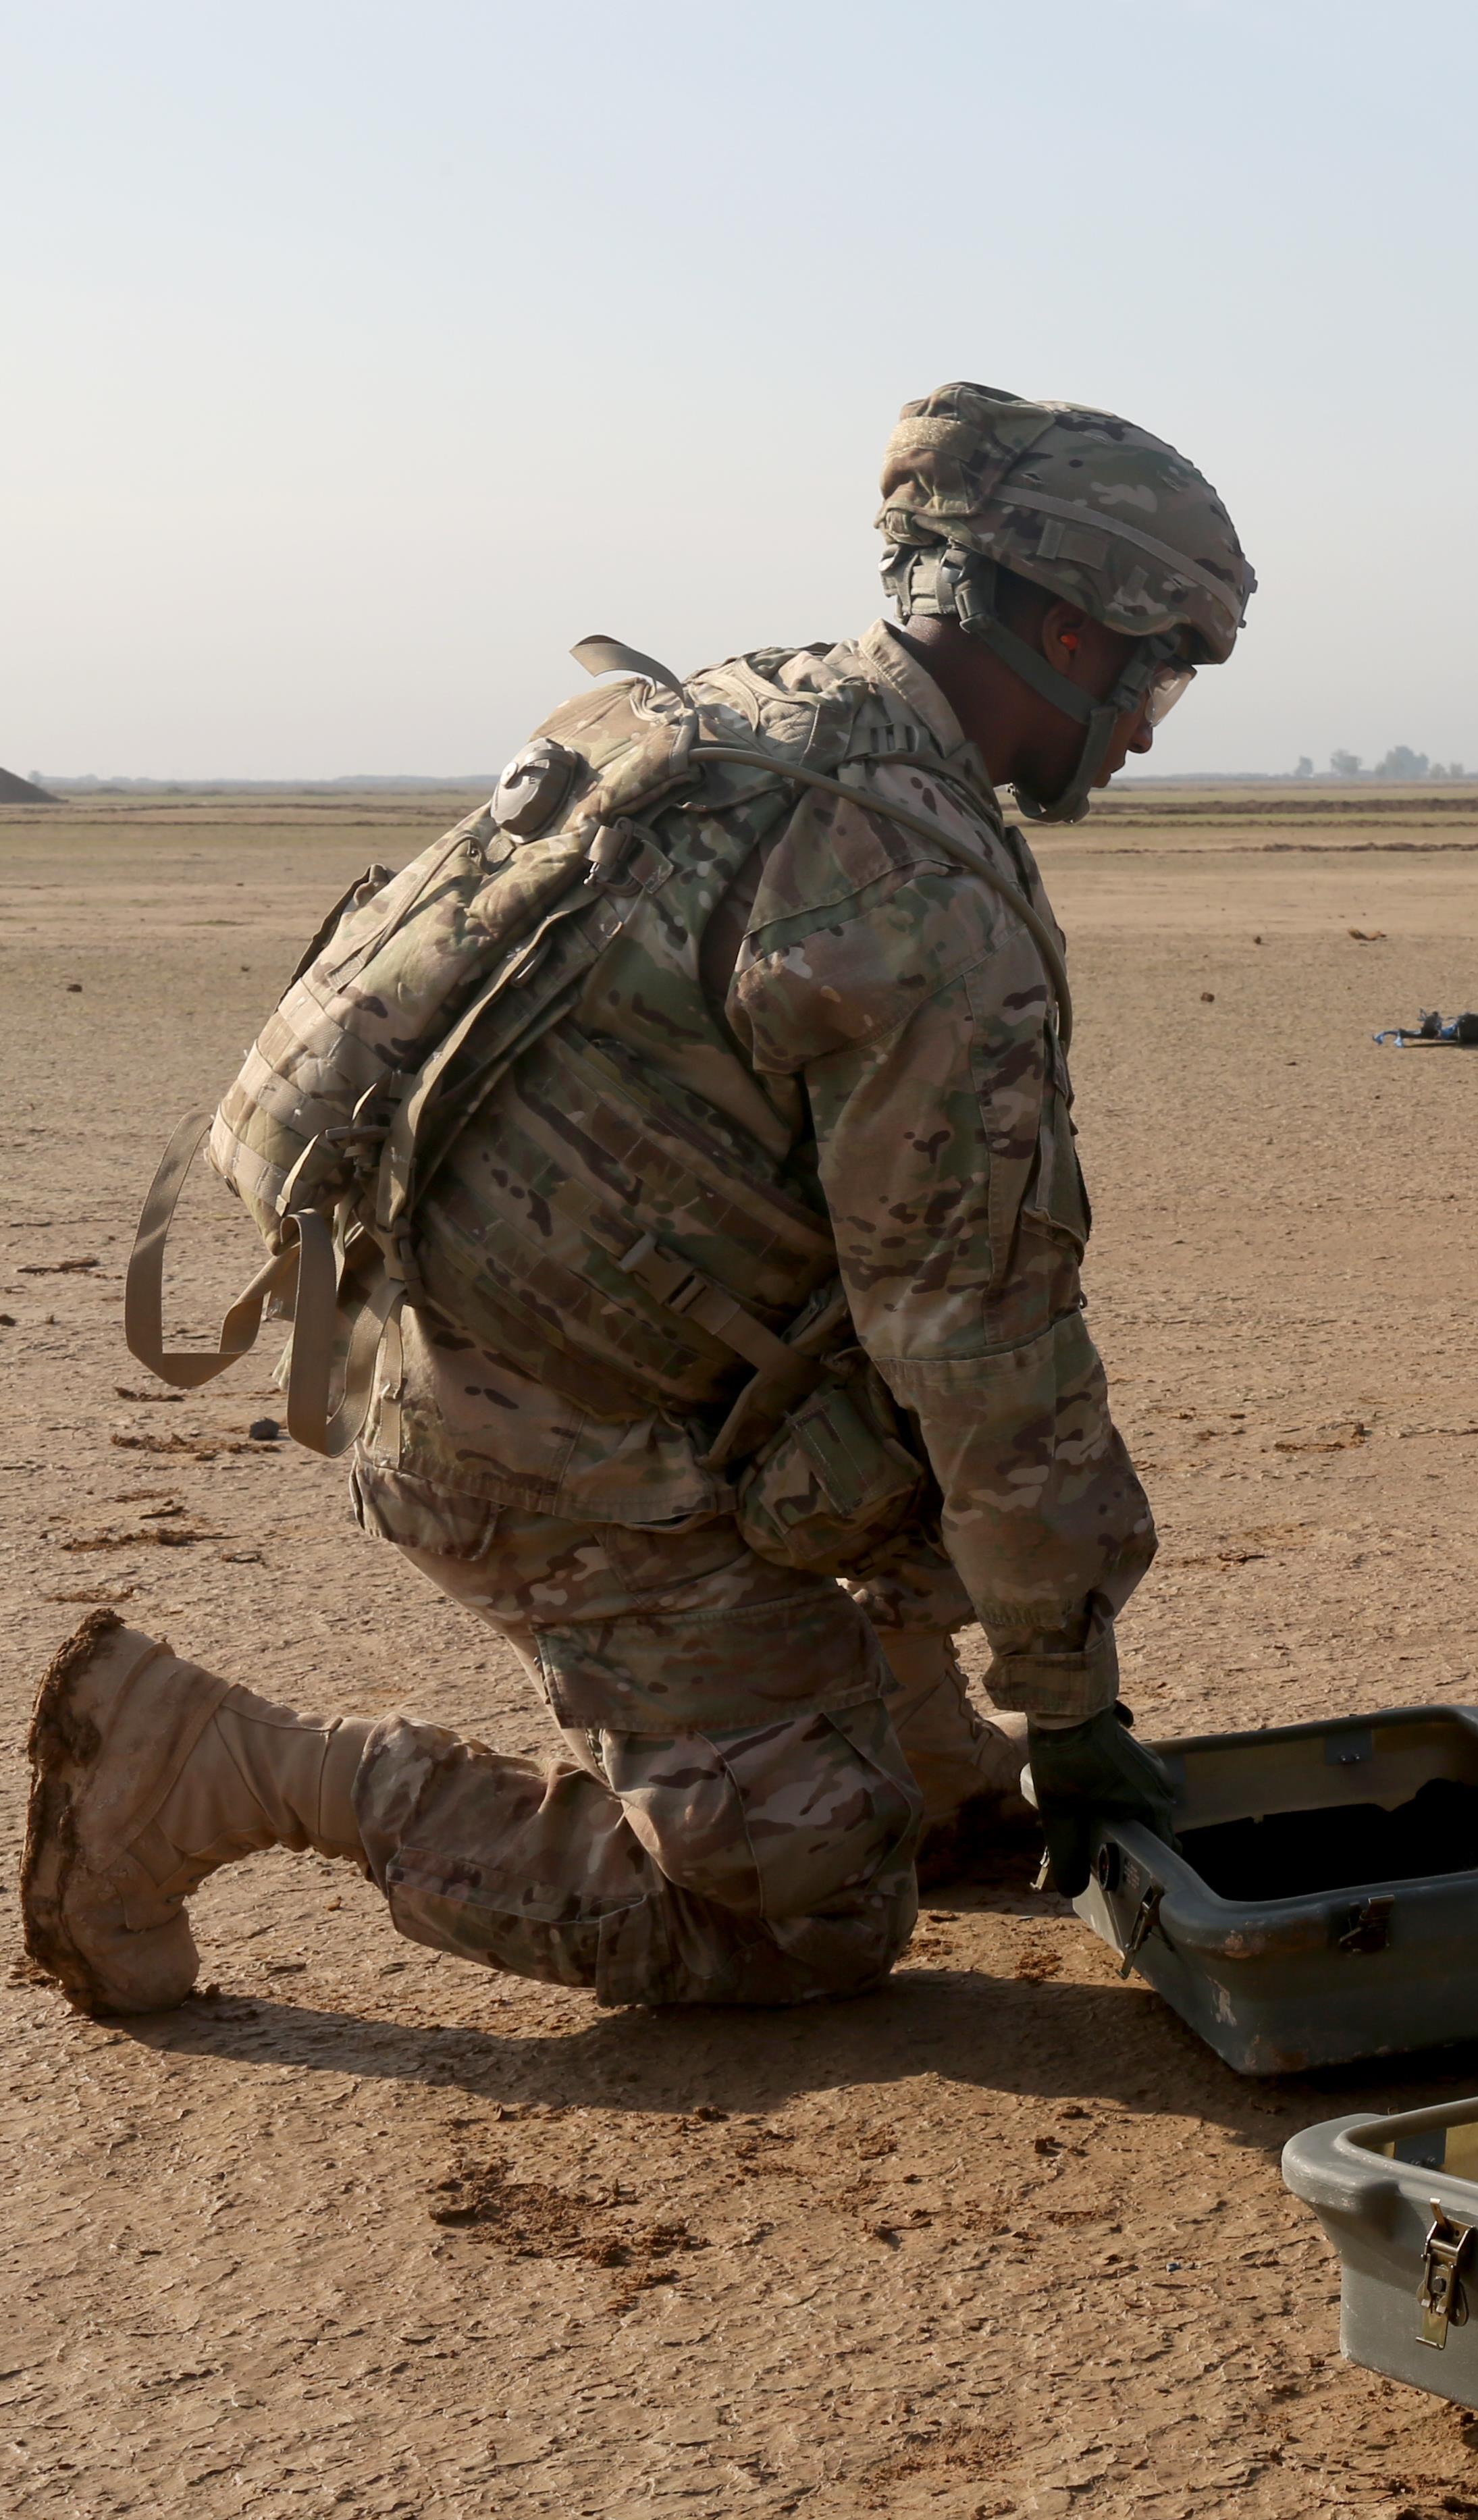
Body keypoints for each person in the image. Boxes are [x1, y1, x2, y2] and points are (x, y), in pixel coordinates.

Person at [24, 383, 1252, 2017]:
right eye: (1159, 667)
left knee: (931, 1459)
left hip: (474, 1336)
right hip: (547, 1451)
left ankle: (918, 1757)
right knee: (803, 1924)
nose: (1153, 723)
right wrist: (1076, 1711)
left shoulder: (752, 711)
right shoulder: (914, 906)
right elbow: (983, 1341)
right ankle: (215, 1767)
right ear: (1071, 634)